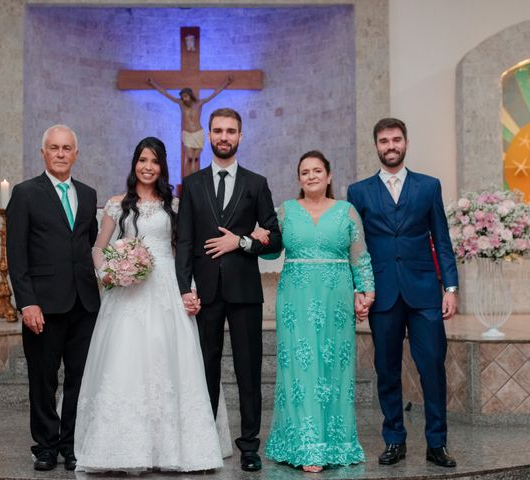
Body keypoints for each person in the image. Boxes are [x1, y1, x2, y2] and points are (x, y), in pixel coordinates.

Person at [74, 137, 228, 473]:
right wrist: (110, 271)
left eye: (154, 161)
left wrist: (190, 288)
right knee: (126, 360)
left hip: (167, 286)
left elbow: (183, 250)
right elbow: (99, 248)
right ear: (134, 163)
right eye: (142, 160)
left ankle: (176, 449)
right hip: (127, 293)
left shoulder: (174, 205)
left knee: (168, 358)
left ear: (162, 166)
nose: (148, 166)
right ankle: (122, 447)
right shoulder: (117, 205)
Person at [347, 117, 459, 468]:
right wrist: (358, 289)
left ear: (405, 143)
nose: (390, 146)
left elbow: (442, 239)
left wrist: (451, 287)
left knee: (432, 368)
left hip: (425, 291)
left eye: (396, 139)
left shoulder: (428, 186)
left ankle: (437, 443)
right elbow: (355, 247)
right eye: (384, 141)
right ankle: (394, 439)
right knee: (386, 369)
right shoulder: (359, 191)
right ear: (376, 146)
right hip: (382, 293)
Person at [175, 108, 282, 472]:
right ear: (208, 135)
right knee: (205, 368)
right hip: (203, 294)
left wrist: (242, 242)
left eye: (231, 131)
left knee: (248, 371)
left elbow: (275, 241)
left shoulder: (256, 183)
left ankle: (249, 446)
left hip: (245, 293)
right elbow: (184, 241)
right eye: (218, 131)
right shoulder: (191, 185)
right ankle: (205, 443)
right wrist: (183, 288)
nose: (224, 136)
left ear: (240, 136)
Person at [253, 151, 374, 473]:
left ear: (329, 176)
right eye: (305, 172)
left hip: (336, 299)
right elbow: (270, 252)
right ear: (299, 179)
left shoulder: (347, 212)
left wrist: (366, 292)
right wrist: (259, 240)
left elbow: (359, 256)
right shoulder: (286, 211)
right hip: (296, 298)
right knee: (300, 367)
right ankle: (303, 445)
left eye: (317, 170)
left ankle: (335, 443)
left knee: (334, 366)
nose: (311, 176)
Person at [6, 124, 100, 472]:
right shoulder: (26, 193)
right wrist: (27, 302)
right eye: (54, 148)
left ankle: (70, 444)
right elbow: (16, 254)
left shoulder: (89, 195)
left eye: (67, 148)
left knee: (79, 378)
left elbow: (90, 246)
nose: (61, 154)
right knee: (43, 379)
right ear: (43, 153)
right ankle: (45, 446)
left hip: (84, 304)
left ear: (76, 154)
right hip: (42, 305)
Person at [147, 76, 232, 177]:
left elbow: (214, 94)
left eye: (186, 96)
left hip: (198, 133)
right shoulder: (181, 104)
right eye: (183, 96)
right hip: (187, 134)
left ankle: (194, 180)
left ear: (190, 95)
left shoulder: (199, 103)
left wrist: (226, 83)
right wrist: (153, 84)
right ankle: (187, 180)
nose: (184, 98)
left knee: (195, 159)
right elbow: (166, 94)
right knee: (189, 157)